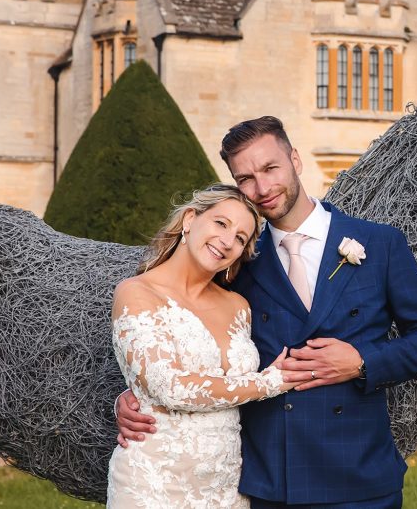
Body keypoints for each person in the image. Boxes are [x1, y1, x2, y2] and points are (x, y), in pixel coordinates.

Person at [116, 116, 417, 508]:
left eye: (270, 168)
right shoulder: (236, 262)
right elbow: (190, 331)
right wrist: (138, 390)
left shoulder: (380, 243)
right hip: (273, 480)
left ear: (295, 158)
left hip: (360, 473)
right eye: (245, 178)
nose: (261, 188)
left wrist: (362, 361)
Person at [108, 184, 295, 508]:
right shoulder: (137, 293)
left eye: (240, 238)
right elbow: (169, 386)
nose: (227, 241)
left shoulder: (239, 305)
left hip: (227, 485)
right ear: (190, 219)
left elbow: (225, 387)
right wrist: (271, 382)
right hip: (155, 481)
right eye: (221, 223)